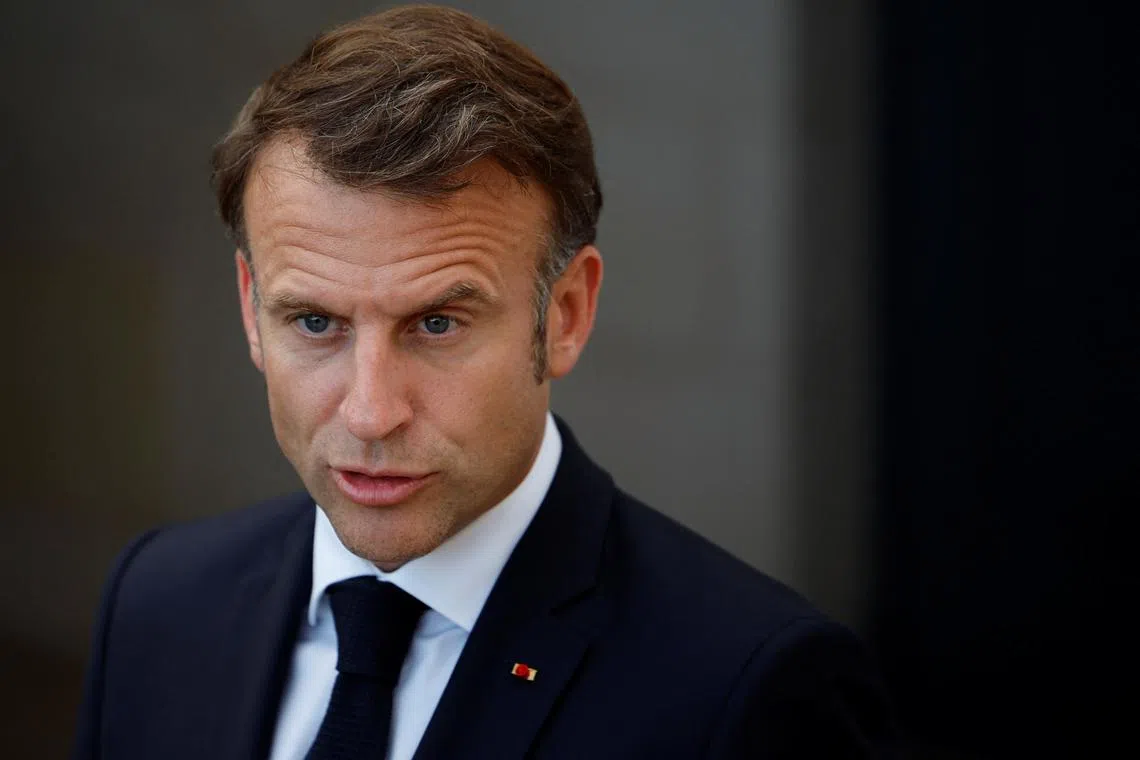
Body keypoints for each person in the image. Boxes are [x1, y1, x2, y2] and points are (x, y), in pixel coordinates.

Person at [72, 5, 900, 759]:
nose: (370, 410)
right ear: (253, 310)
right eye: (315, 322)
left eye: (437, 324)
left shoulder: (749, 687)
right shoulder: (157, 604)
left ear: (566, 314)